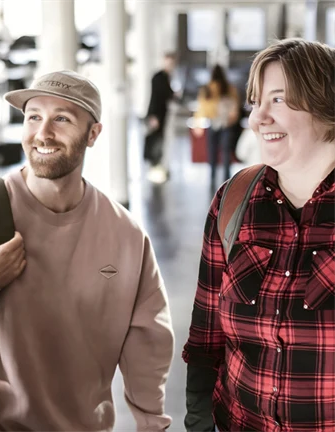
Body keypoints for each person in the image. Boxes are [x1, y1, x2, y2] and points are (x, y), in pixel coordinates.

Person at [0, 70, 175, 432]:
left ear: (93, 134)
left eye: (61, 119)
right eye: (33, 117)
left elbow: (148, 342)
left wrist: (150, 423)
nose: (42, 133)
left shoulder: (125, 234)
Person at [183, 38, 335, 431]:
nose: (258, 118)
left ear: (327, 107)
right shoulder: (235, 201)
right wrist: (198, 419)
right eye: (256, 102)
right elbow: (206, 335)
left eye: (279, 100)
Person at [194, 64, 241, 188]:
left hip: (213, 123)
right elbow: (236, 105)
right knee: (226, 152)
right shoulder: (229, 88)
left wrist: (197, 123)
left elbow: (202, 107)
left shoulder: (208, 88)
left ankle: (212, 178)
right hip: (227, 123)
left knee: (212, 152)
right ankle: (227, 180)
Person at [144, 52, 177, 182]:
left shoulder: (166, 77)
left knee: (159, 141)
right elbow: (155, 98)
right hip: (156, 115)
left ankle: (157, 169)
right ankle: (154, 170)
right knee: (155, 142)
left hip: (162, 116)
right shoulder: (158, 77)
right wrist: (153, 116)